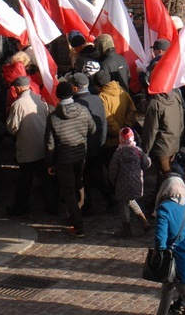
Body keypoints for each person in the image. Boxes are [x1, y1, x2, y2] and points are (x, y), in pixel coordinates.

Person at [46, 81, 96, 238]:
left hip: (64, 157)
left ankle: (78, 224)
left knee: (68, 191)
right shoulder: (83, 110)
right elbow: (93, 129)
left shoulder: (53, 117)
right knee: (78, 183)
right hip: (81, 153)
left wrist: (50, 163)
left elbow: (50, 142)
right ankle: (77, 212)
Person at [154, 175, 185, 315]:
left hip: (173, 257)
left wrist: (161, 252)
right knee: (167, 288)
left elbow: (160, 236)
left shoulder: (164, 208)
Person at [6, 76, 55, 216]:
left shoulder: (18, 104)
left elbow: (12, 128)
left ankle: (21, 208)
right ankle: (51, 206)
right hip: (42, 145)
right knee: (45, 179)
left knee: (24, 181)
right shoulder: (40, 100)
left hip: (27, 148)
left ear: (18, 88)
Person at [71, 72, 112, 215]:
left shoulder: (75, 104)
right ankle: (109, 198)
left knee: (83, 178)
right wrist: (102, 141)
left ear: (75, 88)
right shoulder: (97, 99)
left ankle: (87, 206)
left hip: (82, 147)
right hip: (96, 145)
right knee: (95, 175)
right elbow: (103, 122)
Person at [143, 87, 184, 211]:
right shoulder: (176, 96)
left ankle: (159, 204)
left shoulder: (155, 103)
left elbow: (150, 130)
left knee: (164, 176)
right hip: (173, 142)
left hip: (161, 146)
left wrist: (145, 150)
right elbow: (181, 121)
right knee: (164, 174)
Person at [108, 127, 151, 237]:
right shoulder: (138, 151)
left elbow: (113, 170)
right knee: (131, 200)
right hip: (136, 183)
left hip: (122, 185)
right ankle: (144, 223)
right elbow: (146, 164)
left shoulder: (118, 154)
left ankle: (126, 229)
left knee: (123, 205)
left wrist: (113, 181)